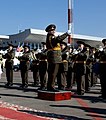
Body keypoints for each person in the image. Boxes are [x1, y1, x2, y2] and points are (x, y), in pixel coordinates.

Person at [45, 24, 70, 92]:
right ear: (49, 31)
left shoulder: (51, 37)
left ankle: (50, 86)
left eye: (54, 30)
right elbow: (58, 39)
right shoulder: (51, 37)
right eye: (52, 30)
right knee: (53, 73)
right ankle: (51, 87)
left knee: (52, 73)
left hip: (54, 57)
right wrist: (66, 34)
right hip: (55, 57)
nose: (54, 31)